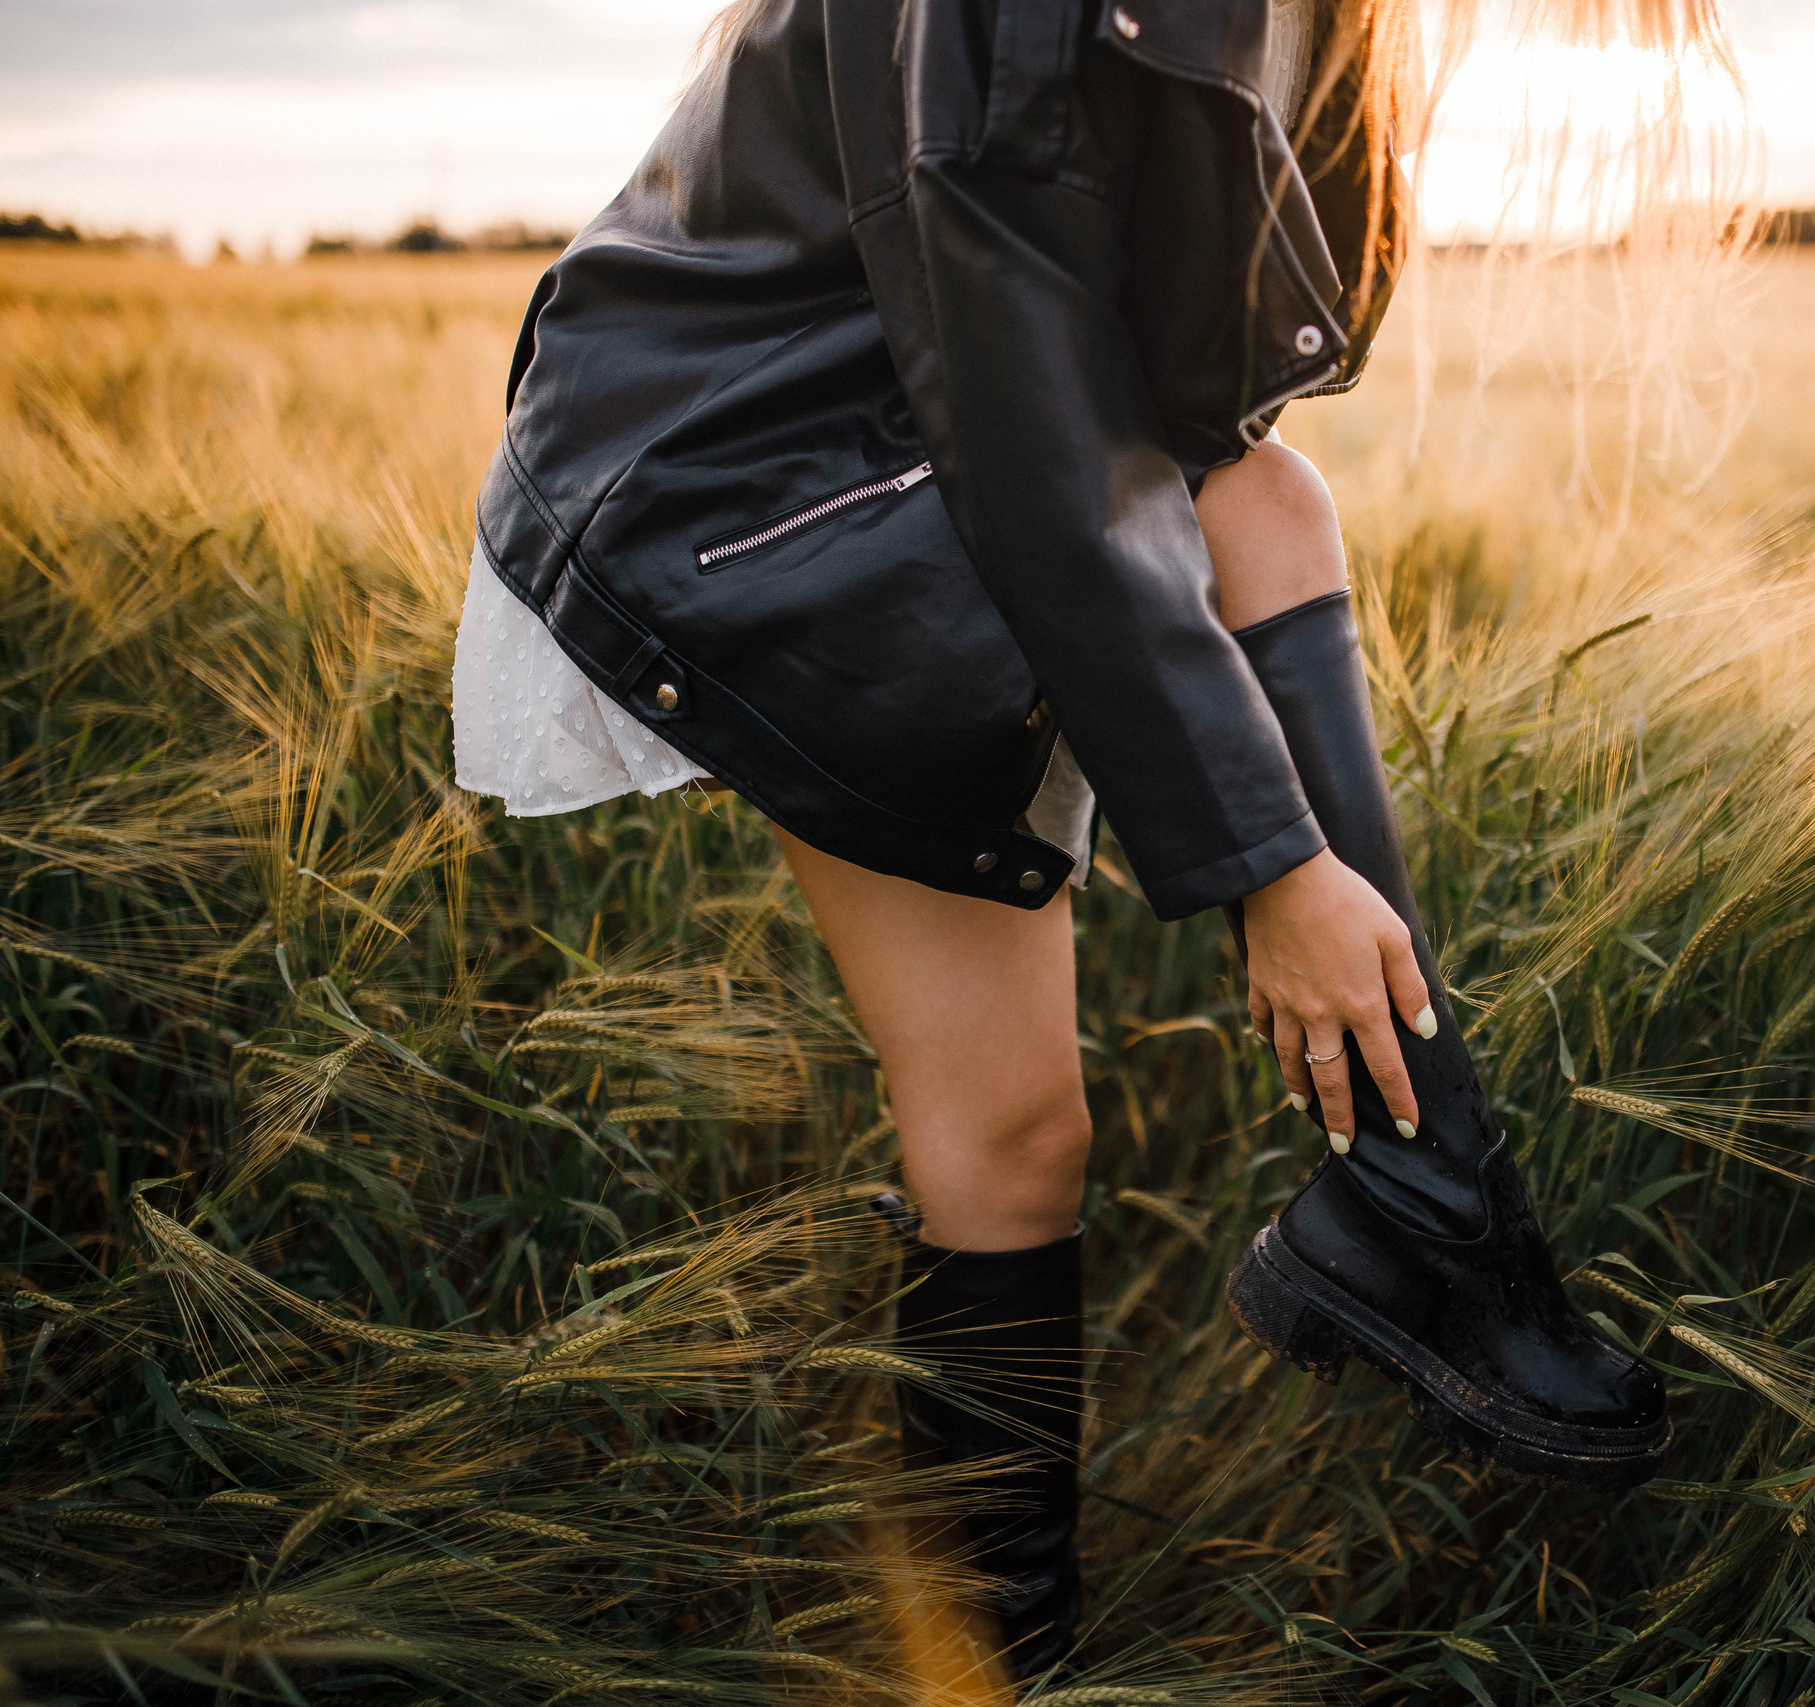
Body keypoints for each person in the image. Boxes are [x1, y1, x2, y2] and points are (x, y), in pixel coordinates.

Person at [452, 0, 1716, 1686]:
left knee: (1271, 505)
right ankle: (1006, 1658)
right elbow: (1018, 383)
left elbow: (1197, 391)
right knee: (1008, 1140)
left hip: (919, 440)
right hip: (752, 492)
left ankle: (1420, 1205)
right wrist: (1272, 868)